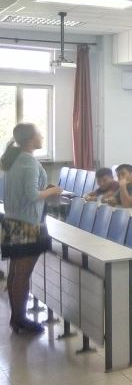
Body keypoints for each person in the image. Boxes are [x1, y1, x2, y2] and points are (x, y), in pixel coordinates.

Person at [1, 123, 62, 334]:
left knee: (15, 273)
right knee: (22, 276)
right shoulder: (28, 162)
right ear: (30, 139)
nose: (42, 136)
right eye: (39, 134)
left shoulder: (14, 159)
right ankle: (20, 319)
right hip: (27, 225)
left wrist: (45, 190)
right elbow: (32, 195)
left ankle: (16, 318)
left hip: (12, 222)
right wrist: (53, 190)